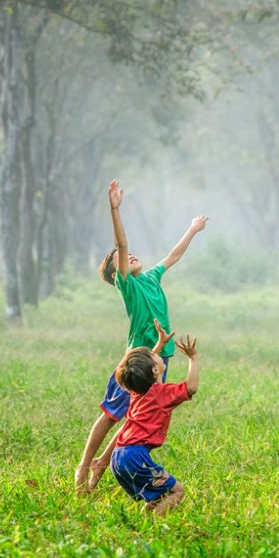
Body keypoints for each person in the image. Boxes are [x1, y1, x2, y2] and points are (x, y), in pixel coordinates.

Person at [74, 178, 207, 494]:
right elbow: (121, 244)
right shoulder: (128, 286)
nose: (129, 255)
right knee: (111, 415)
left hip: (161, 357)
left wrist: (192, 229)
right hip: (137, 360)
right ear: (115, 272)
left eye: (128, 255)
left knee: (139, 416)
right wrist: (115, 209)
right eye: (119, 258)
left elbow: (173, 256)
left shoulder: (150, 278)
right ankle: (84, 466)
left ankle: (103, 465)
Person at [110, 324, 198, 515]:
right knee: (177, 491)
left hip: (118, 457)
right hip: (135, 457)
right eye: (153, 355)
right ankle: (152, 529)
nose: (154, 353)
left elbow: (141, 368)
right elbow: (191, 387)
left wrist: (159, 344)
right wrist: (193, 358)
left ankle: (143, 522)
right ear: (155, 370)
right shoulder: (162, 394)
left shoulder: (137, 390)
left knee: (158, 495)